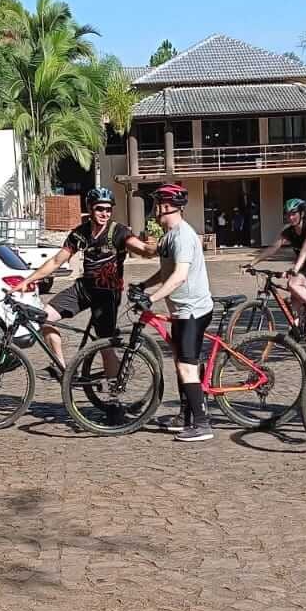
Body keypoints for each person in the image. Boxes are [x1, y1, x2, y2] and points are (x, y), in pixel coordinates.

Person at [15, 187, 154, 376]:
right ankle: (62, 368)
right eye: (99, 208)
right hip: (84, 289)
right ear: (90, 208)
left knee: (104, 345)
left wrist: (155, 248)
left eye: (108, 209)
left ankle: (115, 391)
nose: (104, 213)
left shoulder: (118, 231)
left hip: (107, 294)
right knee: (44, 317)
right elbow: (57, 261)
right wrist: (29, 280)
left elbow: (141, 248)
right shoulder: (81, 233)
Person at [138, 183, 215, 442]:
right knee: (180, 363)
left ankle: (202, 424)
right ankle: (185, 416)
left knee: (186, 365)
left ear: (165, 207)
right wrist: (142, 286)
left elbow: (179, 277)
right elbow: (165, 272)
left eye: (156, 205)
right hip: (181, 311)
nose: (154, 211)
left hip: (192, 310)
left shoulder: (183, 236)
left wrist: (151, 298)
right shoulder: (169, 236)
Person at [245, 198, 306, 329]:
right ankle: (296, 329)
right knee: (295, 297)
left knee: (293, 283)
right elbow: (273, 248)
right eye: (288, 214)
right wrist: (252, 263)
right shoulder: (289, 232)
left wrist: (295, 269)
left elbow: (305, 250)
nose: (291, 217)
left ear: (302, 214)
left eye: (294, 213)